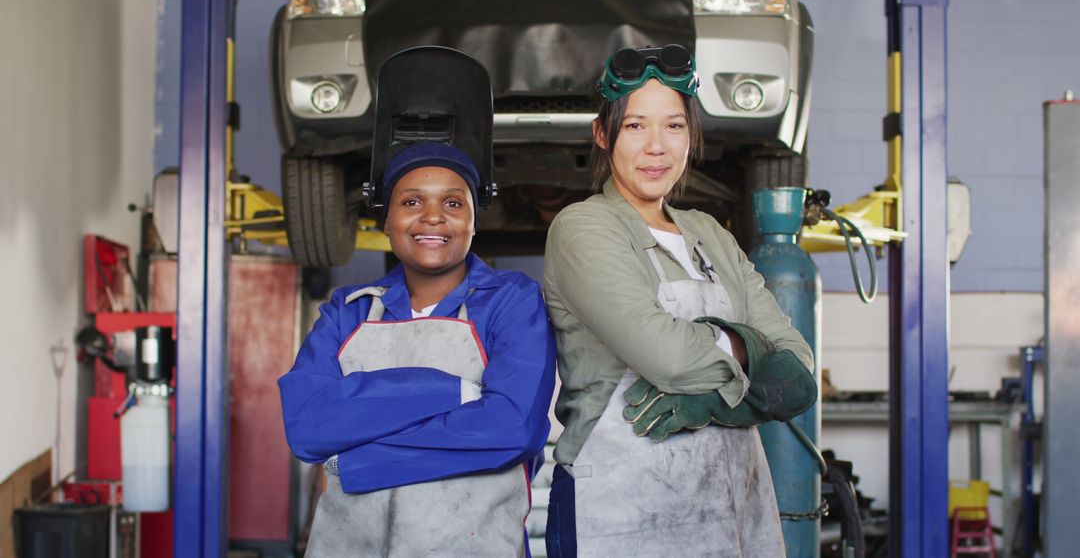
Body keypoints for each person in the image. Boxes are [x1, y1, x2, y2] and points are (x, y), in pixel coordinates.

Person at [278, 48, 556, 557]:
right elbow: (309, 428)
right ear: (386, 221)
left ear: (475, 220)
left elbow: (511, 428)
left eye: (453, 203)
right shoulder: (348, 310)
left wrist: (360, 460)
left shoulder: (512, 303)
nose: (432, 217)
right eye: (411, 202)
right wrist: (459, 393)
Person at [543, 44, 815, 556]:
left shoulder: (710, 233)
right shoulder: (584, 227)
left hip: (733, 505)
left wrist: (713, 401)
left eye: (673, 126)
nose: (656, 147)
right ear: (602, 135)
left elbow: (798, 374)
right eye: (634, 126)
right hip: (619, 507)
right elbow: (664, 357)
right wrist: (751, 350)